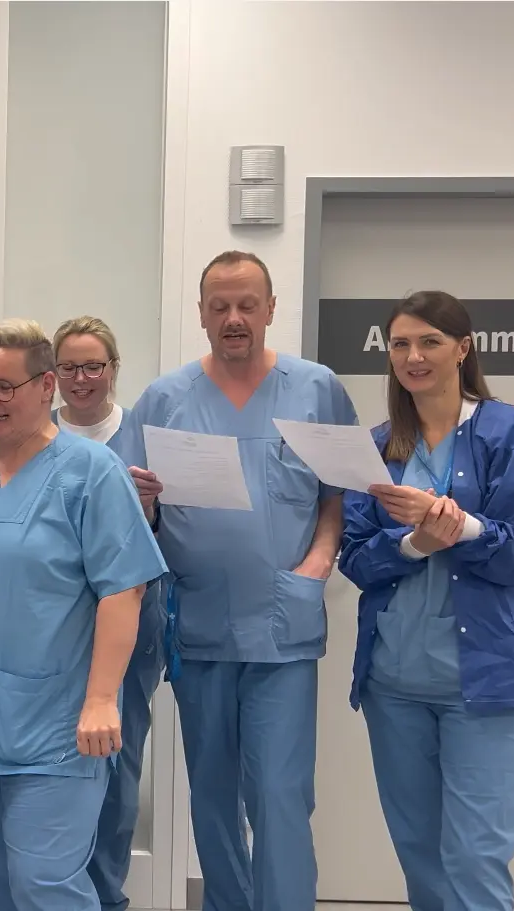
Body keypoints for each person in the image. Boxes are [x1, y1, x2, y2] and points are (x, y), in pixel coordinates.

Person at [0, 318, 166, 910]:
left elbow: (124, 590)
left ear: (46, 385)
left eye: (5, 386)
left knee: (44, 882)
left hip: (56, 724)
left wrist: (102, 699)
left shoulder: (91, 472)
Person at [129, 251, 357, 911]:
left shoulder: (315, 389)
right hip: (199, 626)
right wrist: (144, 503)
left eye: (247, 304)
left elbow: (338, 494)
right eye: (220, 306)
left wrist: (318, 563)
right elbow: (131, 513)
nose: (234, 318)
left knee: (280, 794)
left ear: (270, 309)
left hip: (283, 626)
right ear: (201, 314)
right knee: (211, 792)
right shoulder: (165, 398)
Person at [339, 291, 514, 911]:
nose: (414, 356)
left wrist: (457, 527)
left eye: (430, 341)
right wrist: (415, 544)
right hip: (395, 682)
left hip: (487, 681)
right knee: (420, 852)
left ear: (463, 349)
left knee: (475, 856)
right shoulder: (378, 447)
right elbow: (357, 558)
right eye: (401, 344)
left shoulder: (507, 430)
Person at [51, 316, 165, 911]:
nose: (81, 378)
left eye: (93, 366)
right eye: (68, 367)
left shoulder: (144, 436)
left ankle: (105, 897)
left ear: (113, 369)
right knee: (51, 775)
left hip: (130, 632)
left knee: (117, 768)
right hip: (49, 633)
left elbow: (162, 543)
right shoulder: (33, 434)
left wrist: (149, 510)